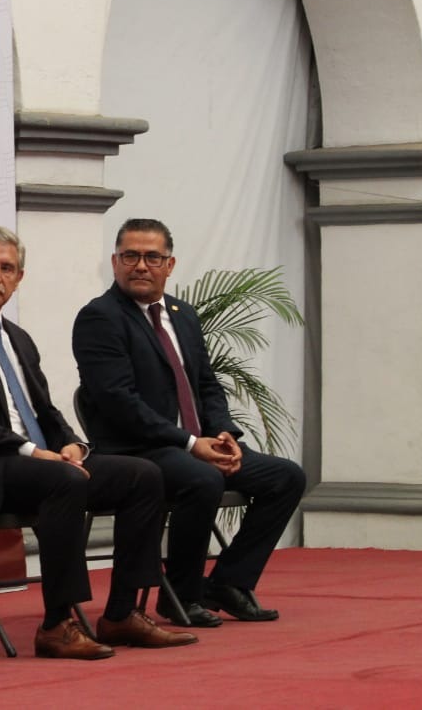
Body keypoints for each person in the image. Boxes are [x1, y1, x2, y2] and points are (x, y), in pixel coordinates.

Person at [0, 224, 196, 660]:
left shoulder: (16, 338)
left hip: (34, 466)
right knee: (64, 481)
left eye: (7, 269)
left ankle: (121, 614)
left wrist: (72, 444)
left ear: (19, 278)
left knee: (143, 476)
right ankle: (57, 625)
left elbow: (45, 413)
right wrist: (30, 451)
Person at [72, 218, 306, 627]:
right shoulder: (100, 317)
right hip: (139, 450)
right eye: (130, 256)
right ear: (114, 262)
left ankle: (229, 583)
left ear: (170, 264)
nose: (140, 265)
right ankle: (181, 594)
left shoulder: (183, 315)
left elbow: (207, 385)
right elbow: (119, 402)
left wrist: (224, 434)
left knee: (286, 478)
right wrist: (190, 443)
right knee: (202, 479)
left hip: (197, 445)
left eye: (152, 257)